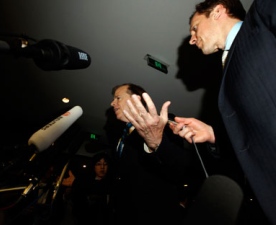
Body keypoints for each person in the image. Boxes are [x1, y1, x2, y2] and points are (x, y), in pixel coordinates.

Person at [166, 0, 276, 224]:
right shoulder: (224, 81)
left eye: (195, 28)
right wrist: (213, 135)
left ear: (218, 11)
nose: (192, 38)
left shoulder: (260, 15)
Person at [110, 83, 194, 225]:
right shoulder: (121, 137)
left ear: (136, 99)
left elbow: (180, 168)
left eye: (118, 98)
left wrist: (156, 143)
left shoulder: (162, 125)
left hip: (156, 215)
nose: (113, 103)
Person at [61, 152, 114, 225]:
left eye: (105, 164)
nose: (102, 167)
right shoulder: (86, 181)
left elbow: (101, 188)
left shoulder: (111, 183)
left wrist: (75, 183)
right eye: (98, 164)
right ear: (94, 166)